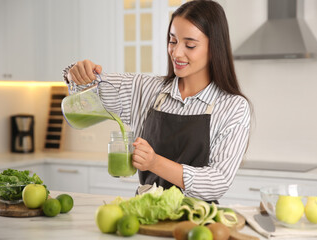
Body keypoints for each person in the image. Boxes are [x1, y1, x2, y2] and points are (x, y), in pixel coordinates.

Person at [63, 0, 251, 203]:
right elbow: (90, 88)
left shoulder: (233, 107)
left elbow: (217, 183)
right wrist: (77, 72)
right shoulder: (147, 90)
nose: (177, 53)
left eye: (190, 45)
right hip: (145, 214)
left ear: (214, 48)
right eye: (172, 41)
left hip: (196, 221)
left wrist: (154, 162)